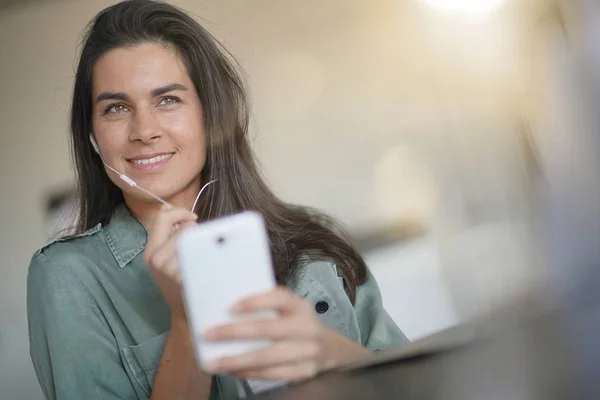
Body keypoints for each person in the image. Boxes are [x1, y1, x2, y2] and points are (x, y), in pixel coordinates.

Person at [26, 1, 408, 399]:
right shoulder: (67, 277)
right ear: (92, 134)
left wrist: (333, 355)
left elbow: (416, 387)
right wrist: (186, 323)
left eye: (168, 100)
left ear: (211, 112)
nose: (144, 130)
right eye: (116, 108)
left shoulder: (315, 238)